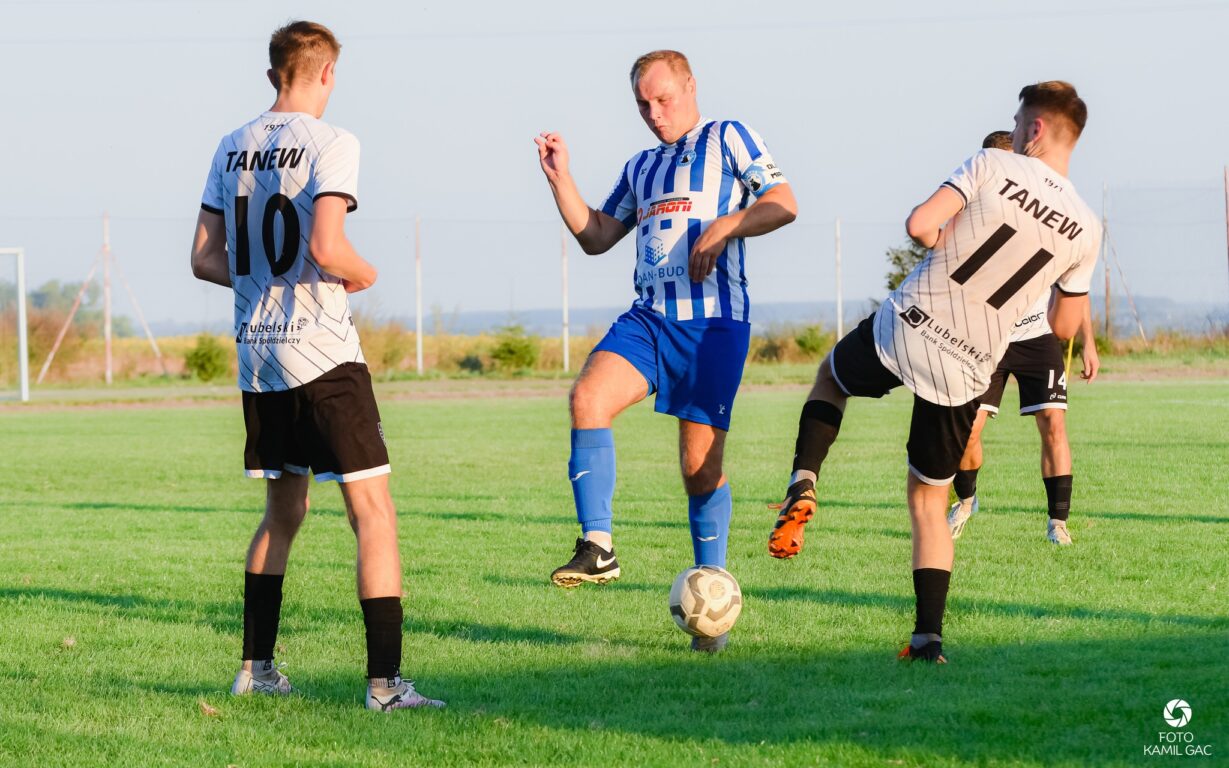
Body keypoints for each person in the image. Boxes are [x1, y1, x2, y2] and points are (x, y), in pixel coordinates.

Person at [769, 82, 1100, 663]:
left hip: (910, 322)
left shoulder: (993, 162)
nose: (1016, 130)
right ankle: (927, 639)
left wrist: (949, 249)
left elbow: (920, 224)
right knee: (928, 505)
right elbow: (1065, 324)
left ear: (1037, 129)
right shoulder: (1086, 228)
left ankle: (804, 478)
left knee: (831, 379)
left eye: (1019, 121)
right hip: (971, 364)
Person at [190, 20, 443, 711]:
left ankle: (255, 668)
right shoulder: (333, 143)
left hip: (258, 360)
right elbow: (329, 247)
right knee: (373, 514)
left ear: (274, 73)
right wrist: (361, 273)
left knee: (283, 512)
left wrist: (259, 284)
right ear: (327, 72)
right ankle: (386, 687)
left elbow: (205, 258)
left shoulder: (229, 145)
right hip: (323, 354)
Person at [534, 50, 797, 651]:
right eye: (643, 104)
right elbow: (598, 236)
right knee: (587, 398)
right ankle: (597, 546)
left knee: (698, 467)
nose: (655, 114)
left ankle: (714, 600)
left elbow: (784, 203)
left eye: (664, 99)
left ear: (690, 86)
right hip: (650, 319)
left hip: (713, 327)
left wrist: (729, 224)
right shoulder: (643, 165)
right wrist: (560, 179)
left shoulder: (729, 137)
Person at [947, 131, 1100, 546]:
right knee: (968, 433)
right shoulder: (970, 214)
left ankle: (1058, 524)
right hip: (985, 339)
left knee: (1053, 424)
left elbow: (1074, 286)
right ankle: (966, 500)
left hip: (1036, 337)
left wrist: (1088, 341)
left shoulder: (1049, 215)